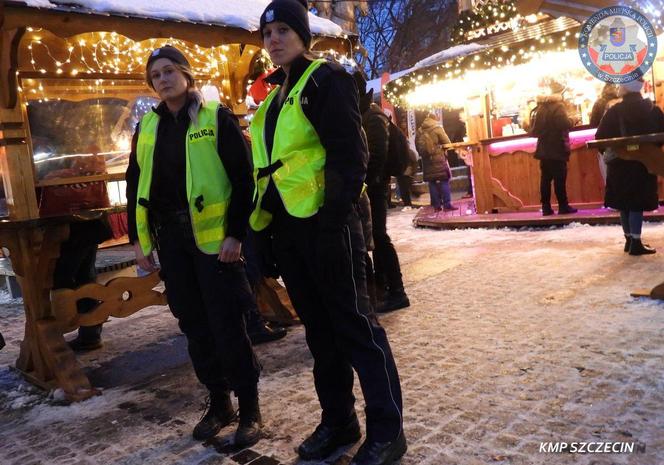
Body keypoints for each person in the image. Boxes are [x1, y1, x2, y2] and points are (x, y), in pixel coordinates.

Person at [251, 2, 407, 464]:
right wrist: (265, 233)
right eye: (267, 32)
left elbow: (349, 157)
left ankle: (387, 430)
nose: (274, 38)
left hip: (329, 225)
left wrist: (332, 222)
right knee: (319, 334)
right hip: (291, 231)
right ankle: (339, 420)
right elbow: (272, 173)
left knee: (357, 328)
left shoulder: (326, 80)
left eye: (283, 29)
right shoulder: (274, 97)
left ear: (303, 35)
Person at [125, 45, 262, 446]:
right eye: (156, 75)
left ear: (186, 75)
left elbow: (242, 179)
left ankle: (249, 406)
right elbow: (136, 186)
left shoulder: (214, 117)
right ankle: (220, 402)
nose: (163, 80)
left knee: (227, 324)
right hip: (171, 242)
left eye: (169, 71)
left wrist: (236, 233)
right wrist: (139, 239)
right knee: (194, 326)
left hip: (215, 243)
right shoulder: (147, 128)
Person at [355, 73, 410, 313]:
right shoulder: (362, 113)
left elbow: (376, 155)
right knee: (373, 239)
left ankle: (397, 291)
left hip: (374, 187)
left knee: (378, 237)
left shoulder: (372, 115)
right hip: (370, 186)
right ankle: (382, 288)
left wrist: (366, 181)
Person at [596, 78, 664, 255]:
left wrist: (609, 151)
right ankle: (635, 241)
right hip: (643, 161)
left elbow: (600, 136)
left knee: (623, 201)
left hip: (620, 161)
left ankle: (629, 240)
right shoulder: (652, 110)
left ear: (625, 89)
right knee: (637, 201)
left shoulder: (614, 111)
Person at [58, 220, 112, 351]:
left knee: (65, 280)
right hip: (89, 224)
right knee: (85, 277)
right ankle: (90, 334)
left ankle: (86, 332)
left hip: (73, 228)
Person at [529, 81, 578, 216]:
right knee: (559, 178)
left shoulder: (541, 108)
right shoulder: (558, 107)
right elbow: (563, 124)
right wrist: (573, 120)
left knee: (545, 179)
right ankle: (563, 206)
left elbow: (535, 130)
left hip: (543, 149)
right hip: (557, 147)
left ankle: (546, 207)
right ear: (560, 93)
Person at [417, 113, 457, 212]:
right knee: (444, 180)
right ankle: (447, 205)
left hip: (426, 160)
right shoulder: (437, 128)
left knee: (432, 182)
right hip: (438, 158)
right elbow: (447, 143)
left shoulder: (419, 131)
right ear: (435, 119)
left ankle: (436, 206)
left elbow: (418, 147)